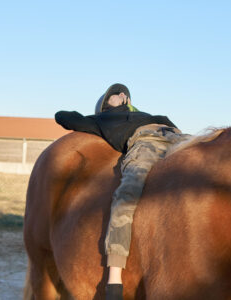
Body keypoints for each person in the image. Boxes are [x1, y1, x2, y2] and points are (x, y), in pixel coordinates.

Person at [55, 83, 190, 300]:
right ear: (104, 107)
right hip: (146, 143)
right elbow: (63, 116)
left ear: (127, 98)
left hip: (179, 138)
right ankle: (115, 281)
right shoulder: (103, 120)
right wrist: (93, 118)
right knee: (126, 196)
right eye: (112, 96)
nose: (119, 95)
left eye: (121, 94)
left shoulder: (151, 114)